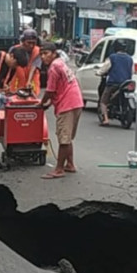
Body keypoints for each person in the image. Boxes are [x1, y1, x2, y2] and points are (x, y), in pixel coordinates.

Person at [39, 42, 83, 179]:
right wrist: (50, 103)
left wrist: (41, 103)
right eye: (41, 54)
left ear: (53, 53)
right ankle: (69, 164)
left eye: (46, 54)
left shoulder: (53, 68)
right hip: (76, 101)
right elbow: (60, 88)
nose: (43, 57)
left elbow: (50, 91)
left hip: (67, 103)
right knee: (68, 136)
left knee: (63, 138)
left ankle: (59, 169)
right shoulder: (61, 63)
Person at [97, 41, 133, 125]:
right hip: (126, 84)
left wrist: (98, 72)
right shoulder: (130, 59)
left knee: (103, 101)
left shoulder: (112, 57)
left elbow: (104, 68)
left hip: (113, 83)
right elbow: (132, 71)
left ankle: (106, 119)